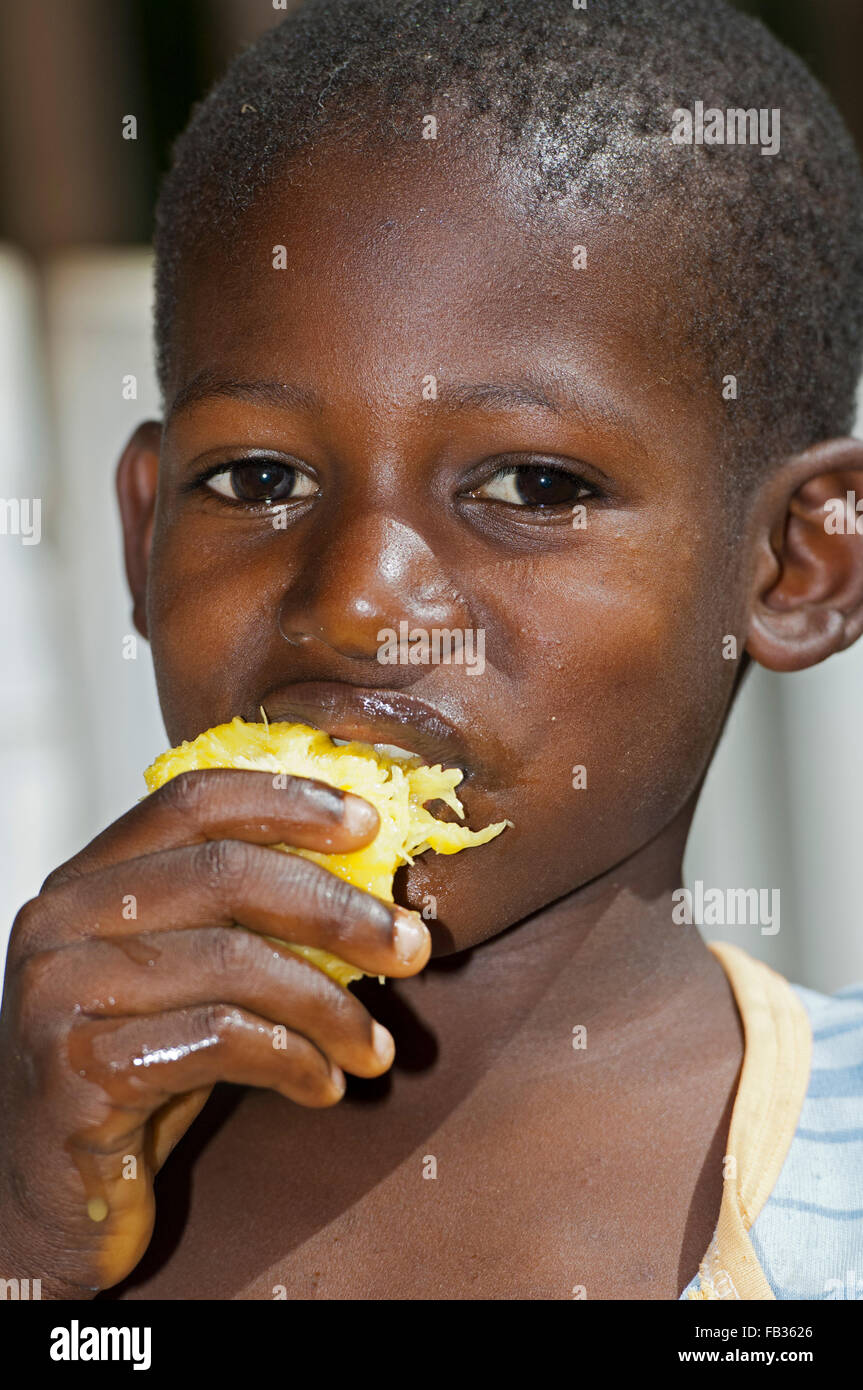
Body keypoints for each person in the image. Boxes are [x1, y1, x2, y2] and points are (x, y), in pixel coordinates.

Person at [2, 0, 862, 1300]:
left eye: (532, 485)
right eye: (254, 477)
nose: (356, 601)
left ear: (798, 562)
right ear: (144, 527)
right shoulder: (27, 1162)